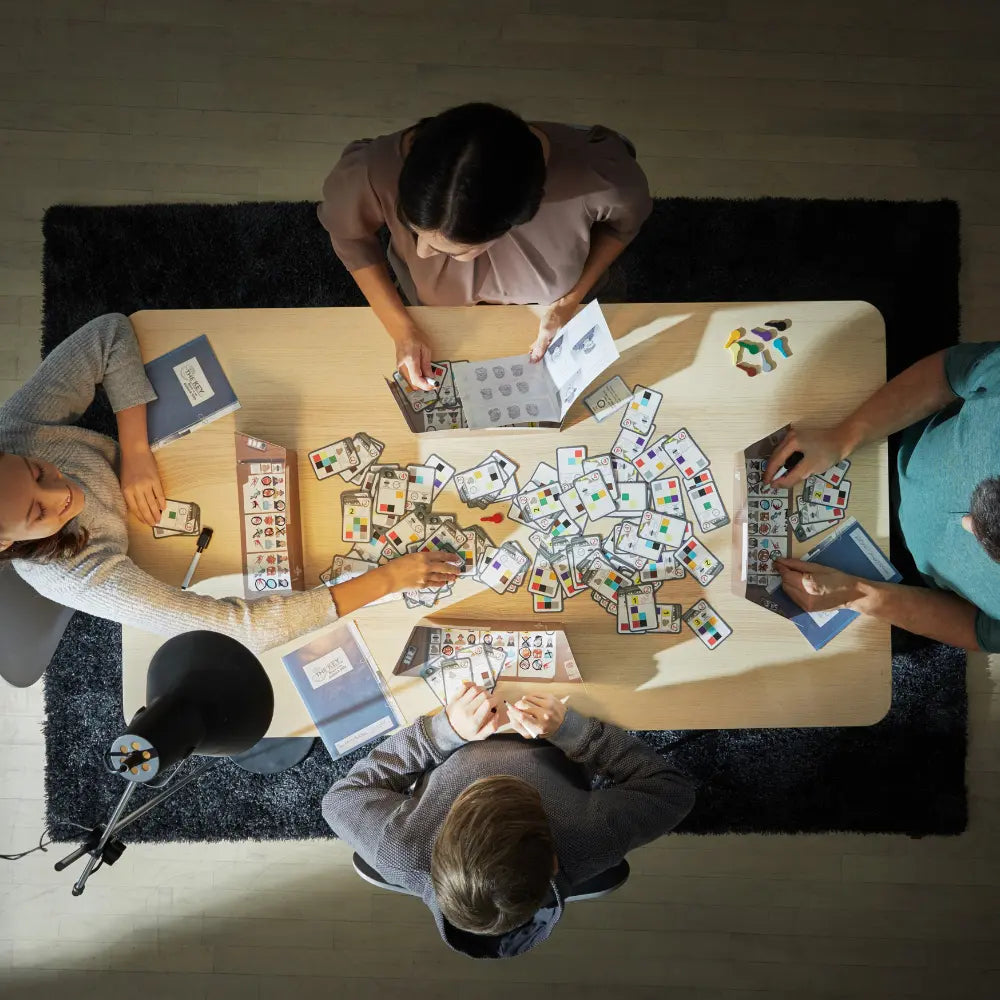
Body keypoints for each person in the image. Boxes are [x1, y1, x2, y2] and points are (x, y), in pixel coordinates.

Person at [0, 313, 461, 657]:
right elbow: (242, 632)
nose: (63, 493)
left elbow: (110, 333)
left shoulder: (16, 430)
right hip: (155, 553)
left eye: (38, 471)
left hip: (163, 469)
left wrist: (135, 451)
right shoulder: (73, 577)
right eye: (38, 513)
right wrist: (388, 578)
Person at [323, 683, 695, 959]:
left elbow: (339, 799)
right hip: (553, 739)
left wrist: (441, 734)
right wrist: (575, 734)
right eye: (529, 795)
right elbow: (671, 789)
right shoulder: (590, 837)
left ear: (437, 846)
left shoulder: (401, 850)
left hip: (459, 737)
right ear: (553, 860)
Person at [317, 102, 652, 390]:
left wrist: (569, 302)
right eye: (412, 230)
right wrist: (401, 328)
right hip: (438, 324)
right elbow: (350, 238)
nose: (419, 254)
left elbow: (623, 228)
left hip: (554, 316)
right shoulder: (372, 171)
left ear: (517, 222)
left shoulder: (602, 182)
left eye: (452, 252)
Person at [764, 341, 1000, 651]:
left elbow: (976, 630)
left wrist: (855, 595)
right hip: (890, 435)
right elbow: (947, 372)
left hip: (906, 580)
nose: (966, 525)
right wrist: (842, 436)